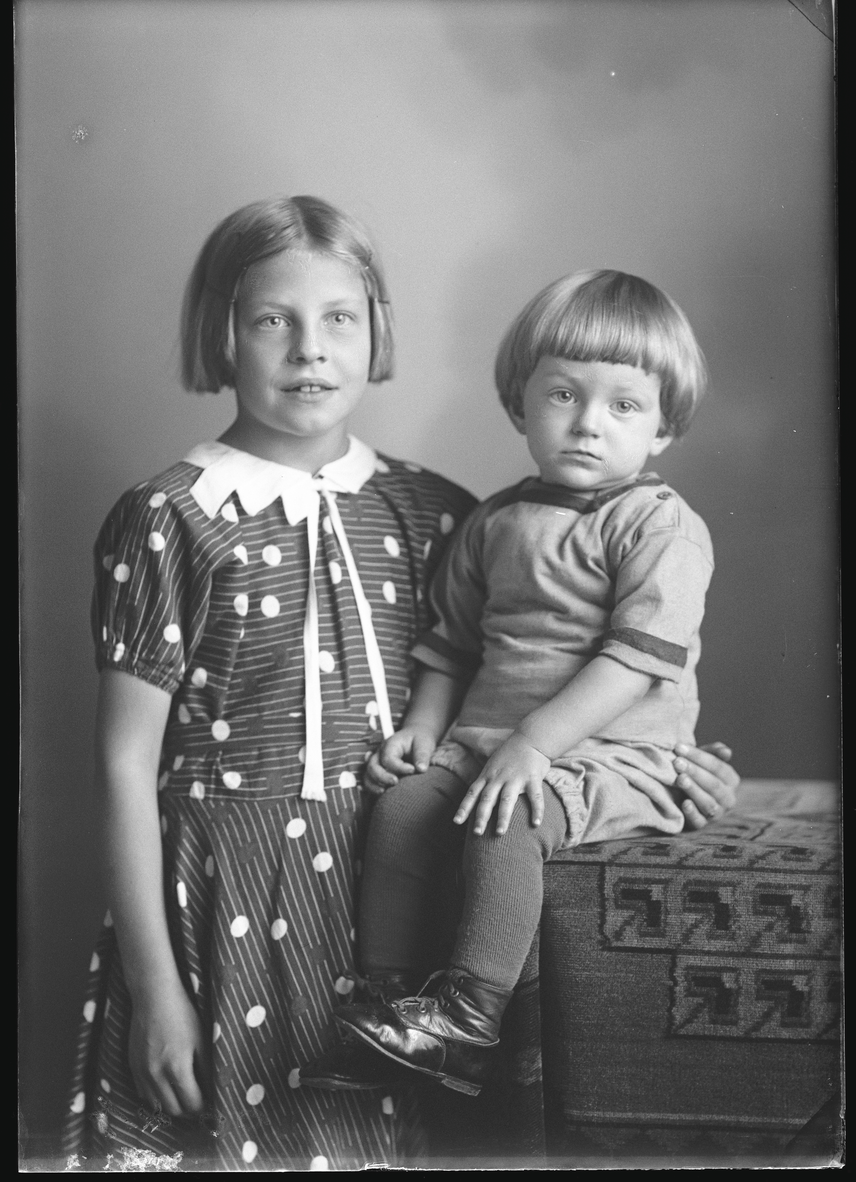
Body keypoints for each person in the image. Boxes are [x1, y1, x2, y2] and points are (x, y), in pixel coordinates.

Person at [62, 206, 737, 1170]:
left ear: (376, 330)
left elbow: (560, 677)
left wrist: (672, 771)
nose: (309, 348)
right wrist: (157, 989)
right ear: (223, 332)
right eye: (272, 320)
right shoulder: (169, 517)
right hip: (222, 915)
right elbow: (124, 768)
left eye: (340, 318)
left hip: (416, 910)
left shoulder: (439, 510)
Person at [312, 269, 733, 1101]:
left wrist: (535, 746)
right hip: (490, 744)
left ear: (662, 428)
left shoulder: (658, 524)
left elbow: (633, 660)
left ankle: (468, 1019)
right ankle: (388, 1008)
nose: (588, 423)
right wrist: (424, 729)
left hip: (611, 755)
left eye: (624, 405)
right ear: (519, 405)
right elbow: (453, 646)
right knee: (400, 809)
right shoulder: (494, 521)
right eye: (564, 395)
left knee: (512, 817)